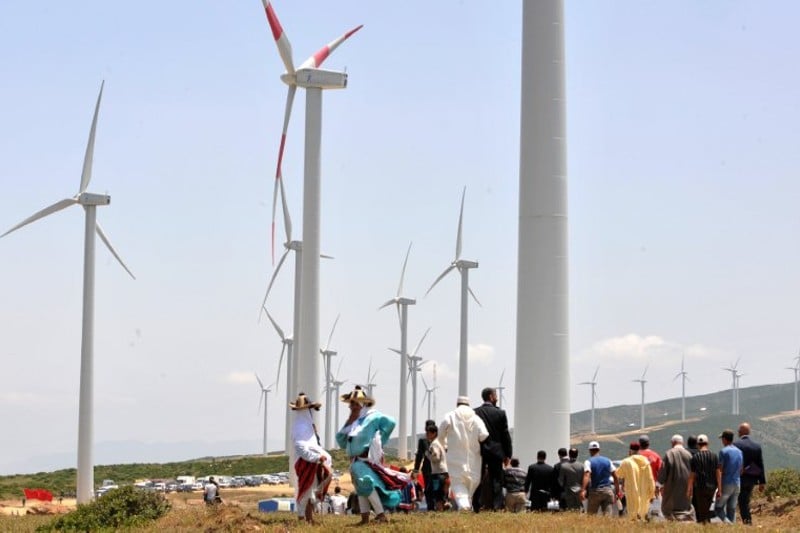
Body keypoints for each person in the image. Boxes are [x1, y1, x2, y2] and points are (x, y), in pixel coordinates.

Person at [336, 385, 405, 526]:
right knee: (361, 488)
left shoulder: (373, 417)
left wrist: (379, 439)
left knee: (365, 484)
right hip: (355, 461)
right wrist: (349, 420)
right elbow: (341, 441)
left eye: (354, 403)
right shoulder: (353, 422)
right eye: (351, 404)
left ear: (362, 404)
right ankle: (365, 518)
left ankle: (380, 515)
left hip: (365, 460)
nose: (351, 407)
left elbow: (390, 422)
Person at [439, 395, 489, 511]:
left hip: (455, 458)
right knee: (470, 486)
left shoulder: (450, 416)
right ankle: (466, 506)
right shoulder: (476, 418)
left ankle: (464, 506)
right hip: (474, 460)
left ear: (457, 404)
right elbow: (484, 435)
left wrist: (445, 444)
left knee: (458, 485)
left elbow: (441, 433)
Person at [289, 392, 332, 524]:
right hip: (306, 462)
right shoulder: (301, 426)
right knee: (306, 490)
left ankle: (309, 518)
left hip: (310, 461)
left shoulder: (306, 425)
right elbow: (300, 447)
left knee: (310, 490)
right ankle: (303, 519)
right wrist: (317, 457)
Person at [473, 387, 513, 512]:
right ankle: (497, 506)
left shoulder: (475, 412)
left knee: (478, 478)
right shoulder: (500, 413)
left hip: (479, 450)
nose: (497, 397)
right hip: (496, 451)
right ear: (490, 396)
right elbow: (505, 435)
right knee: (497, 479)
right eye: (495, 395)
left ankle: (477, 506)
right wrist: (508, 454)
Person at [734, 422, 767, 525]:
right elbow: (760, 464)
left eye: (739, 431)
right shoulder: (756, 446)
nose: (738, 432)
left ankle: (747, 522)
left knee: (742, 501)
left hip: (740, 478)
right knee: (745, 500)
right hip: (752, 479)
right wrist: (762, 482)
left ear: (741, 432)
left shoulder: (736, 445)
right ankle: (747, 521)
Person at [657, 435, 695, 521]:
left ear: (673, 443)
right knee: (684, 504)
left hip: (672, 485)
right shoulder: (688, 454)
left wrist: (658, 484)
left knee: (670, 506)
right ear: (682, 443)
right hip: (686, 485)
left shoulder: (669, 454)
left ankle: (673, 521)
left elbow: (663, 470)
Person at [615, 441, 655, 520]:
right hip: (644, 493)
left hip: (632, 493)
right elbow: (651, 479)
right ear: (639, 450)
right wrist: (652, 493)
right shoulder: (646, 462)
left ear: (630, 451)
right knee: (643, 515)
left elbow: (618, 474)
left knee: (632, 516)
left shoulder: (626, 462)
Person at [580, 441, 620, 516]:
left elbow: (587, 475)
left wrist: (583, 490)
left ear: (589, 450)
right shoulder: (608, 460)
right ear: (599, 449)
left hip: (595, 491)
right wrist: (617, 491)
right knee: (607, 517)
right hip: (608, 491)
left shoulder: (588, 461)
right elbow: (615, 476)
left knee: (591, 516)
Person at [687, 434, 718, 523]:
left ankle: (703, 524)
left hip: (700, 487)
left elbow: (692, 475)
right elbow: (718, 473)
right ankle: (706, 523)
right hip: (712, 487)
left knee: (701, 509)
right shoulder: (714, 456)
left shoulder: (695, 457)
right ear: (707, 443)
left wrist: (689, 488)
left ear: (697, 444)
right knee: (707, 507)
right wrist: (719, 487)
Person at [715, 429, 744, 523]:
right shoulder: (739, 452)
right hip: (737, 483)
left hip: (727, 483)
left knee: (718, 509)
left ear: (724, 439)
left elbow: (719, 470)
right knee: (731, 509)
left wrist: (719, 488)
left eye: (722, 439)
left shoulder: (723, 452)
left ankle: (730, 526)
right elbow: (741, 469)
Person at [425, 423, 450, 511]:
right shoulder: (440, 442)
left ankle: (440, 509)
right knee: (441, 492)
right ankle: (445, 503)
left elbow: (436, 457)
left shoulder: (434, 444)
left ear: (434, 433)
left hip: (438, 473)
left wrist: (428, 454)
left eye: (428, 433)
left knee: (435, 493)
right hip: (444, 472)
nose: (427, 435)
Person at [413, 419, 436, 511]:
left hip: (427, 468)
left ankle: (430, 506)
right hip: (438, 468)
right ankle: (438, 504)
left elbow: (419, 456)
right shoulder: (440, 440)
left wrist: (416, 469)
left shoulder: (422, 440)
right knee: (437, 487)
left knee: (428, 487)